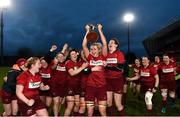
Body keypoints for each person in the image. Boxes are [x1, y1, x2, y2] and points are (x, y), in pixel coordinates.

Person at [82, 24, 108, 116]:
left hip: (102, 86)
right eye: (91, 49)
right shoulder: (89, 57)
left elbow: (105, 44)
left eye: (94, 49)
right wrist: (87, 31)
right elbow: (84, 45)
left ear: (99, 50)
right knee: (89, 112)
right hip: (90, 86)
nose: (92, 50)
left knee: (102, 111)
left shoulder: (103, 57)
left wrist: (100, 30)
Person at [64, 49, 88, 116]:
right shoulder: (69, 63)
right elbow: (72, 73)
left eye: (75, 53)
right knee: (70, 106)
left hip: (77, 87)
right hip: (70, 86)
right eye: (72, 54)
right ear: (70, 56)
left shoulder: (78, 63)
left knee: (77, 104)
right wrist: (82, 67)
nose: (74, 55)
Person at [105, 38, 125, 116]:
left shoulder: (119, 54)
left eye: (112, 42)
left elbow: (119, 68)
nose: (109, 44)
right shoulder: (105, 54)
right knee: (108, 103)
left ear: (116, 45)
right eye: (109, 42)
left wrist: (107, 66)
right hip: (107, 80)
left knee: (117, 104)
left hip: (117, 80)